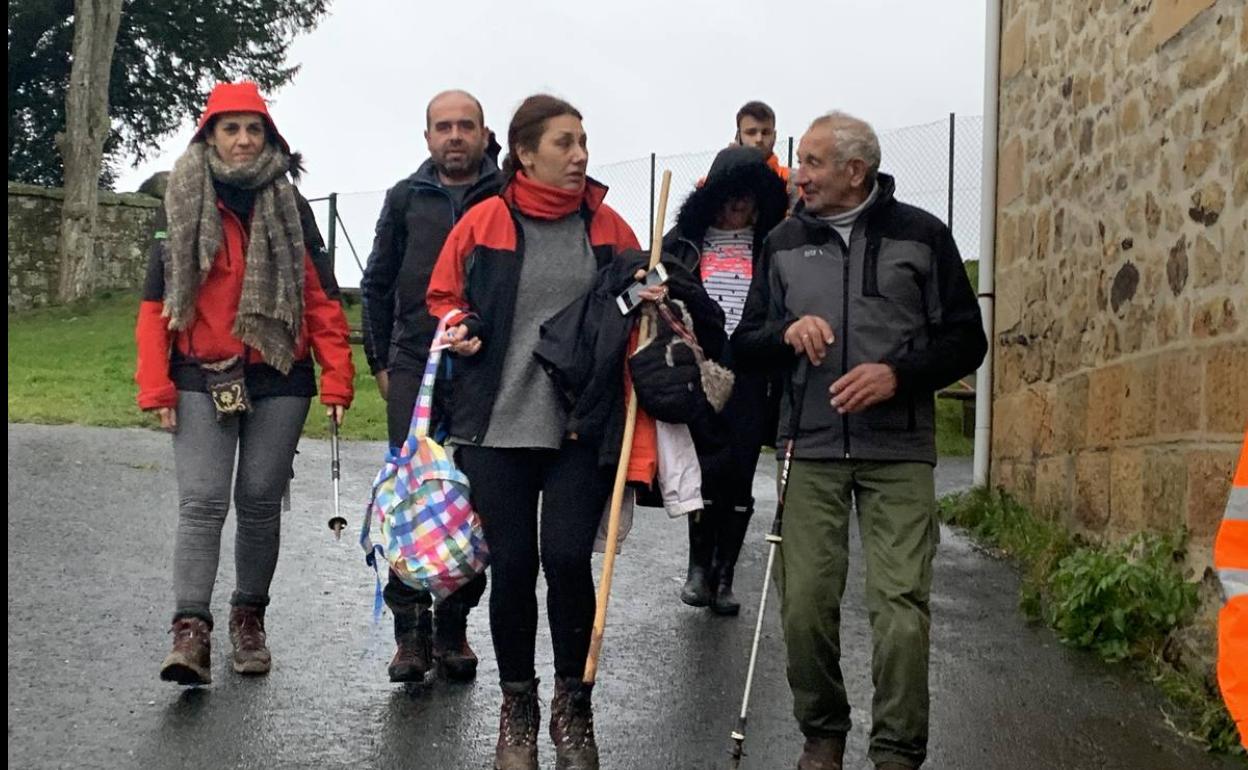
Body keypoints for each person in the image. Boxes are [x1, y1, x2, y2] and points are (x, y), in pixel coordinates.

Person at [733, 111, 987, 770]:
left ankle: (898, 752)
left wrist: (896, 375)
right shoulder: (783, 241)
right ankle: (823, 732)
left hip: (897, 452)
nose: (800, 175)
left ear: (855, 170)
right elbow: (746, 342)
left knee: (901, 609)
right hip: (808, 449)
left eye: (813, 163)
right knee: (805, 606)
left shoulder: (924, 236)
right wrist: (787, 333)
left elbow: (967, 339)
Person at [427, 94, 643, 770]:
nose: (579, 155)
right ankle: (517, 706)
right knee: (513, 569)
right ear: (524, 153)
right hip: (496, 423)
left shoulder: (607, 225)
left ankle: (573, 708)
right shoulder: (484, 220)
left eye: (583, 142)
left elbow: (641, 288)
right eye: (564, 143)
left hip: (581, 425)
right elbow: (441, 296)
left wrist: (653, 291)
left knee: (569, 562)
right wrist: (456, 326)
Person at [135, 81, 355, 686]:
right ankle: (190, 634)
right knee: (202, 502)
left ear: (269, 138)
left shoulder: (291, 206)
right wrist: (155, 385)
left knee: (259, 503)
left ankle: (248, 621)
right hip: (198, 374)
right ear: (209, 136)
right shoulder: (178, 202)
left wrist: (338, 375)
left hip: (279, 374)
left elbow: (321, 298)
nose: (241, 139)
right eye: (229, 128)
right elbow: (155, 303)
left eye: (252, 128)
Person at [360, 89, 501, 683]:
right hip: (414, 362)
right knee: (410, 500)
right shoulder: (404, 198)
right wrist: (381, 361)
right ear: (427, 138)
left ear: (483, 132)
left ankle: (454, 627)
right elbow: (376, 284)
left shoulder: (504, 197)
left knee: (475, 501)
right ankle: (410, 634)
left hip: (482, 370)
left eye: (465, 126)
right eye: (443, 127)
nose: (455, 136)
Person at [663, 145, 789, 615]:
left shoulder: (774, 245)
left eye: (748, 195)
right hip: (701, 368)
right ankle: (699, 568)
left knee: (739, 473)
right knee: (705, 469)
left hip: (754, 369)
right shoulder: (685, 243)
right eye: (729, 195)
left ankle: (725, 574)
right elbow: (652, 285)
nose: (738, 204)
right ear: (710, 199)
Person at [734, 100, 792, 188]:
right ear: (738, 136)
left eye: (765, 133)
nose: (759, 139)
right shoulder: (718, 181)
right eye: (751, 133)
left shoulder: (794, 181)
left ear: (775, 136)